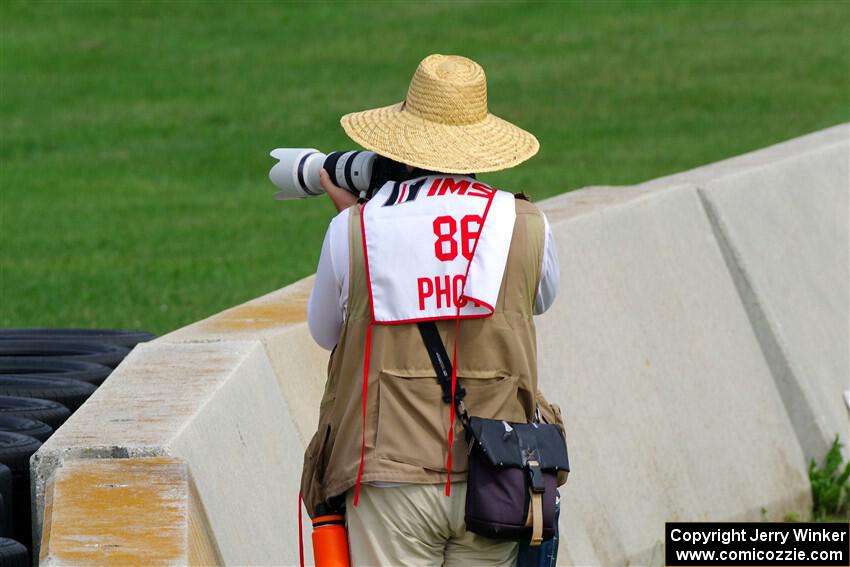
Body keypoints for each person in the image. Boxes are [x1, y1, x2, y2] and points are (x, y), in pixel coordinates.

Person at [302, 53, 564, 567]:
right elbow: (538, 298)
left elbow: (324, 330)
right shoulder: (528, 225)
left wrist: (361, 224)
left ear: (400, 145)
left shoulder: (355, 231)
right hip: (500, 474)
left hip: (387, 476)